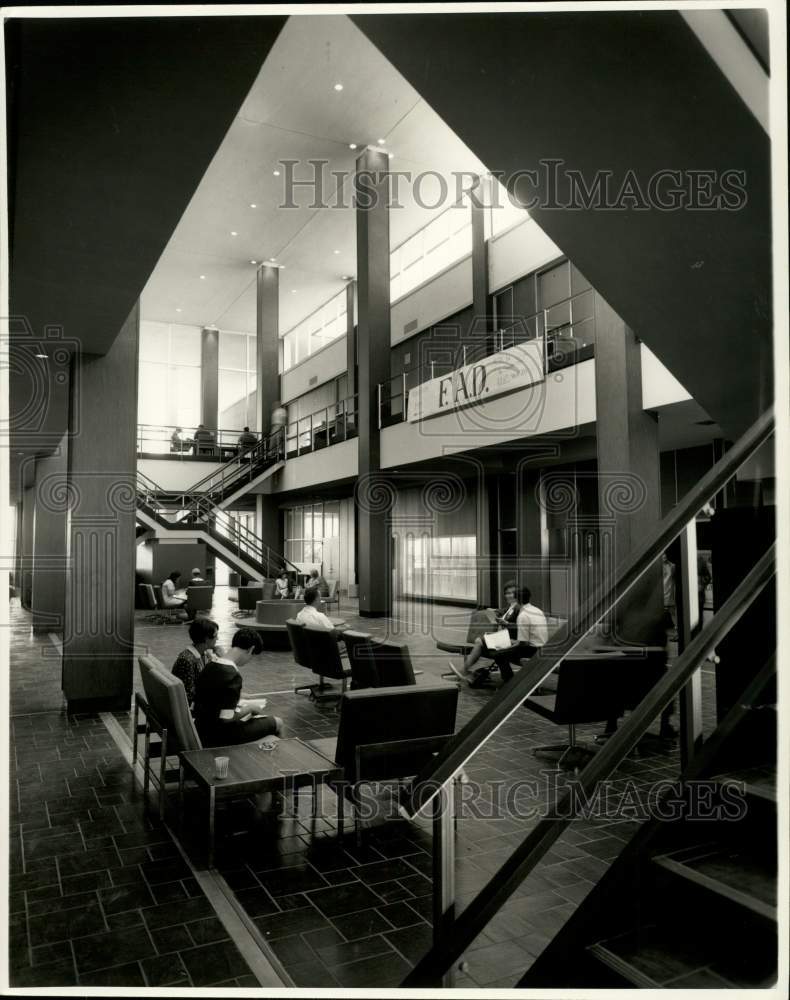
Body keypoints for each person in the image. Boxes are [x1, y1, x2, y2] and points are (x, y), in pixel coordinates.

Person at [193, 628, 283, 747]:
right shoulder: (232, 675)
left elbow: (214, 697)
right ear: (251, 649)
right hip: (219, 735)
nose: (250, 660)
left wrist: (238, 697)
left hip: (201, 728)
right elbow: (227, 718)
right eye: (252, 656)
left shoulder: (210, 665)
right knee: (278, 722)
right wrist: (250, 708)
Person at [464, 586, 547, 687]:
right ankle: (507, 679)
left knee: (498, 654)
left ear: (517, 599)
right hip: (539, 647)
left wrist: (505, 646)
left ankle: (509, 681)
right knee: (500, 650)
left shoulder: (523, 615)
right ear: (529, 598)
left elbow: (523, 643)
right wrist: (511, 642)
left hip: (531, 649)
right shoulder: (537, 610)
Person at [172, 618, 219, 709]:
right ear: (206, 639)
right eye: (215, 635)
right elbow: (189, 695)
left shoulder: (202, 653)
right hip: (189, 709)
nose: (218, 638)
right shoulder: (186, 660)